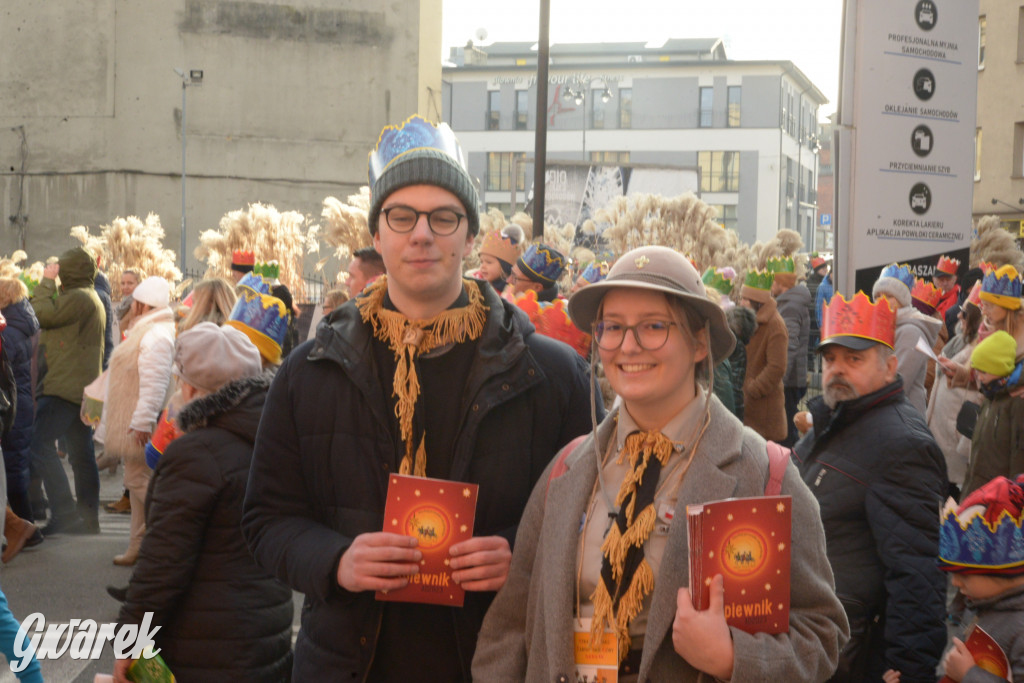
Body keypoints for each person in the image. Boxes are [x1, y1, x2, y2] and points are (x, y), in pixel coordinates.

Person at [241, 115, 596, 681]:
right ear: (378, 235)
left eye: (444, 217)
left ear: (470, 235)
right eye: (402, 216)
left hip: (495, 660)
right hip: (346, 663)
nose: (422, 233)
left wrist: (520, 555)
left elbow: (591, 523)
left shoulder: (552, 375)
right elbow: (266, 520)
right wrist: (339, 561)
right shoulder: (310, 373)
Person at [472, 245, 848, 682]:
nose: (628, 346)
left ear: (700, 342)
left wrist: (732, 657)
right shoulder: (568, 468)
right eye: (612, 327)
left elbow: (821, 635)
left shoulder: (761, 473)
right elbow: (510, 625)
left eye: (654, 326)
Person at [112, 323, 293, 682]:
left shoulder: (196, 453)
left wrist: (130, 640)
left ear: (191, 388)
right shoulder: (276, 439)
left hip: (207, 643)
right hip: (266, 631)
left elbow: (163, 562)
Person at [793, 291, 948, 682]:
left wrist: (907, 672)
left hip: (851, 651)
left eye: (854, 359)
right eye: (830, 359)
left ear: (890, 366)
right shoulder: (835, 420)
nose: (837, 369)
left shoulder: (903, 444)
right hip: (812, 635)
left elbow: (918, 576)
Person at [29, 247, 105, 535]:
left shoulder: (79, 297)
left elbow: (41, 314)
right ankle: (87, 519)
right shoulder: (90, 296)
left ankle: (65, 513)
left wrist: (46, 282)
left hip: (64, 387)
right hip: (80, 387)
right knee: (81, 454)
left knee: (38, 445)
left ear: (67, 272)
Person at [103, 276, 176, 566]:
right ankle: (138, 546)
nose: (131, 304)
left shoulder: (155, 335)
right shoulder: (152, 330)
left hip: (144, 422)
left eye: (135, 301)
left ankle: (172, 524)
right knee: (137, 481)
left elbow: (155, 383)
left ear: (143, 305)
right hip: (140, 419)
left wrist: (143, 421)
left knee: (137, 480)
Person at [934, 474, 1024, 683]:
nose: (955, 583)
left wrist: (968, 674)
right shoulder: (979, 605)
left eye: (963, 575)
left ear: (1000, 571)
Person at [926, 283, 984, 497]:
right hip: (943, 436)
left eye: (965, 314)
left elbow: (980, 392)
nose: (959, 316)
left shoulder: (980, 350)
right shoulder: (959, 342)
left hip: (956, 440)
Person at [961, 331, 1024, 498]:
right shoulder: (991, 394)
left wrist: (1014, 498)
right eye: (978, 371)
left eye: (984, 372)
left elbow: (1018, 454)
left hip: (999, 496)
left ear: (1000, 368)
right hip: (978, 488)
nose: (979, 378)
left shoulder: (1017, 401)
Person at [872, 263, 941, 414]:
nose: (882, 300)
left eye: (889, 296)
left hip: (903, 418)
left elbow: (898, 383)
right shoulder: (885, 327)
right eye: (877, 296)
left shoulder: (910, 332)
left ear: (902, 300)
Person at [0, 278, 39, 522]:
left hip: (12, 403)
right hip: (22, 399)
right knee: (18, 463)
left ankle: (26, 527)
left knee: (13, 467)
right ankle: (30, 520)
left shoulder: (9, 331)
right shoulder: (22, 323)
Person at [738, 269, 788, 441]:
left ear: (757, 302)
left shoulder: (775, 325)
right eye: (741, 298)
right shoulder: (747, 321)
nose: (741, 303)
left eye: (745, 299)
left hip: (764, 410)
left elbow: (777, 367)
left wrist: (753, 388)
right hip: (748, 406)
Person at [770, 257, 810, 446]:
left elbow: (790, 346)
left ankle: (792, 465)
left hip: (789, 381)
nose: (770, 285)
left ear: (780, 283)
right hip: (791, 379)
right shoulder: (788, 303)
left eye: (772, 281)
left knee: (786, 430)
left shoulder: (790, 307)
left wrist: (779, 379)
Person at [472, 226, 524, 293]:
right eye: (481, 262)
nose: (483, 266)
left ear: (504, 267)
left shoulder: (511, 291)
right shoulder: (474, 282)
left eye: (489, 262)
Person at [934, 254, 962, 319]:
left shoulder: (960, 296)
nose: (945, 283)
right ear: (934, 280)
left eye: (948, 279)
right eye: (941, 280)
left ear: (955, 279)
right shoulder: (932, 297)